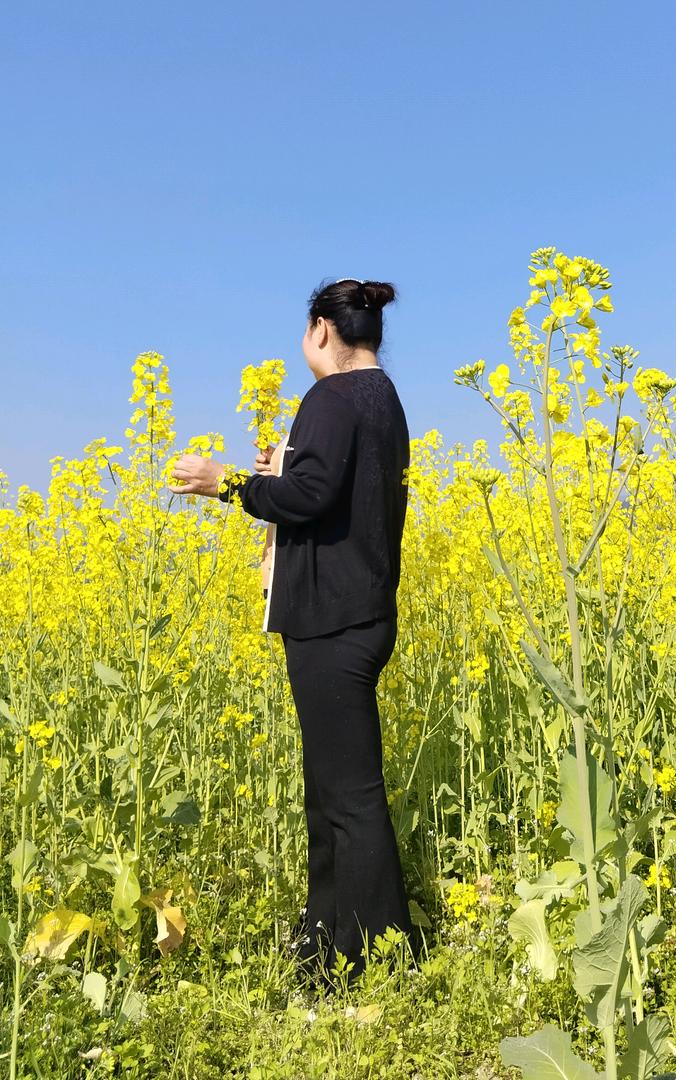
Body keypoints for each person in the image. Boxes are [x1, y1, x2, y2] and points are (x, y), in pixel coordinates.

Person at [169, 277, 420, 992]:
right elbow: (337, 491)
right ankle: (325, 946)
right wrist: (286, 469)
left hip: (329, 621)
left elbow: (309, 497)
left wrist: (228, 483)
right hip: (365, 612)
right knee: (335, 791)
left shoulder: (331, 398)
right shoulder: (384, 400)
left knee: (348, 797)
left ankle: (382, 961)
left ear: (320, 331)